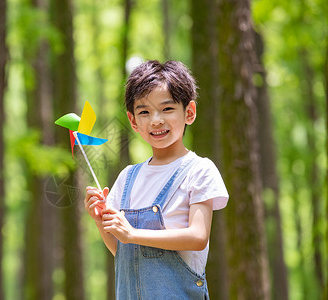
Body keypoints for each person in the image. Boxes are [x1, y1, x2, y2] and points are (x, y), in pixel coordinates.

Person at [84, 60, 229, 299]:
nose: (156, 120)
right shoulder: (127, 177)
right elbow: (123, 252)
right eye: (144, 112)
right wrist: (101, 221)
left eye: (167, 109)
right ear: (133, 122)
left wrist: (132, 233)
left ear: (189, 113)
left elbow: (197, 237)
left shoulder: (199, 170)